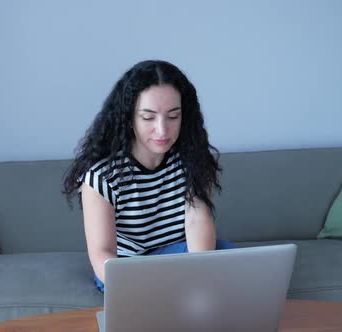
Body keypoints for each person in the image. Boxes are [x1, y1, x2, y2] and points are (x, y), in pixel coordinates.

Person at [62, 60, 234, 293]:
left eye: (173, 117)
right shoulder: (100, 176)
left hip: (178, 256)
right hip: (126, 268)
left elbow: (197, 222)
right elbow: (103, 254)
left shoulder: (193, 160)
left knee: (230, 255)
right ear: (129, 118)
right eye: (148, 117)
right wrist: (141, 289)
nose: (162, 130)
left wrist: (199, 277)